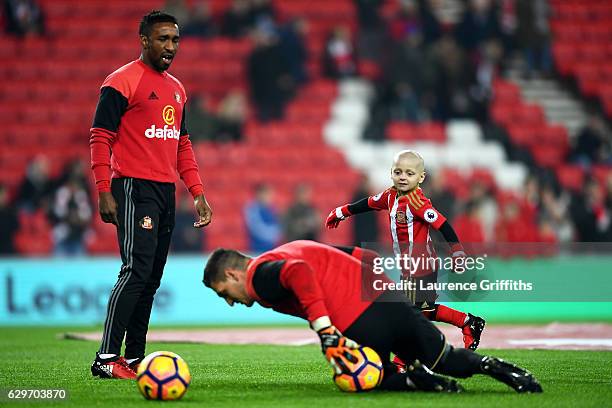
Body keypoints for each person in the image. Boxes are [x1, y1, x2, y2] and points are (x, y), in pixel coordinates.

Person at [202, 240, 543, 393]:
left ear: (233, 275)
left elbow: (299, 273)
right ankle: (502, 370)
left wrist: (325, 330)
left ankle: (413, 379)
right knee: (445, 358)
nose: (230, 302)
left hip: (360, 321)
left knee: (361, 378)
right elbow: (364, 255)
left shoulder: (258, 277)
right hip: (390, 302)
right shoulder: (290, 246)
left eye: (223, 294)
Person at [89, 10, 213, 380]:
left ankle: (134, 358)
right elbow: (100, 137)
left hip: (165, 192)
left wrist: (197, 191)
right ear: (144, 40)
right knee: (136, 271)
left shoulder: (177, 88)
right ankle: (106, 357)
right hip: (132, 187)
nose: (170, 47)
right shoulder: (121, 81)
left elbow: (182, 143)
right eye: (162, 39)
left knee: (152, 277)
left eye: (174, 40)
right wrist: (104, 189)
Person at [325, 150, 485, 359]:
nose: (403, 177)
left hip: (422, 264)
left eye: (409, 173)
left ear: (421, 178)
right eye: (398, 172)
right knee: (422, 310)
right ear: (391, 173)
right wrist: (342, 212)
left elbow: (442, 224)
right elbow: (368, 204)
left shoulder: (418, 202)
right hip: (408, 266)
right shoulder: (390, 196)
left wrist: (457, 252)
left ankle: (403, 361)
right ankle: (468, 322)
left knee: (411, 312)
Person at [243, 183, 281, 252]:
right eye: (267, 194)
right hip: (257, 248)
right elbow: (256, 228)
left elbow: (278, 225)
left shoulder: (272, 209)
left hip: (271, 248)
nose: (269, 197)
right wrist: (273, 235)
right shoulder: (252, 208)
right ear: (259, 194)